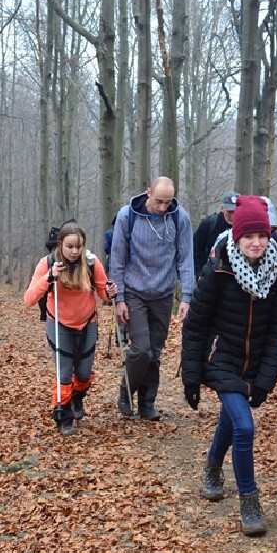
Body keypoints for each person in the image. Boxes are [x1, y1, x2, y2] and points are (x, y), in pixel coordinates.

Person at [181, 195, 277, 536]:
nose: (256, 243)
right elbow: (195, 324)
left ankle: (213, 466)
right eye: (249, 236)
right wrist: (191, 376)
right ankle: (249, 501)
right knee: (244, 426)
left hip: (255, 363)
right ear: (237, 236)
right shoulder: (218, 267)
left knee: (232, 419)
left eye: (262, 236)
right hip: (222, 360)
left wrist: (266, 380)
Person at [109, 176, 195, 421]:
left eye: (168, 202)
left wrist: (186, 297)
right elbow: (117, 259)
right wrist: (120, 299)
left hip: (163, 293)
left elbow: (186, 258)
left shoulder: (179, 217)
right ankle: (126, 392)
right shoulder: (127, 216)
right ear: (148, 192)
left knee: (155, 351)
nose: (162, 207)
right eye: (158, 201)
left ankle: (147, 403)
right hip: (134, 291)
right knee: (141, 350)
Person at [24, 223, 117, 435]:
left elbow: (103, 293)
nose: (75, 251)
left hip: (87, 322)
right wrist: (49, 277)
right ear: (60, 245)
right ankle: (63, 415)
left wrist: (110, 291)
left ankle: (77, 397)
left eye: (79, 247)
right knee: (64, 372)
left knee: (83, 373)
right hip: (58, 322)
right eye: (70, 247)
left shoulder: (92, 263)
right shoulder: (47, 263)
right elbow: (29, 299)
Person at [192, 190, 238, 275]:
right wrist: (198, 273)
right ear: (222, 208)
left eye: (236, 212)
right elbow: (195, 249)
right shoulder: (209, 224)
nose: (233, 216)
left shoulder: (244, 228)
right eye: (230, 211)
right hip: (209, 275)